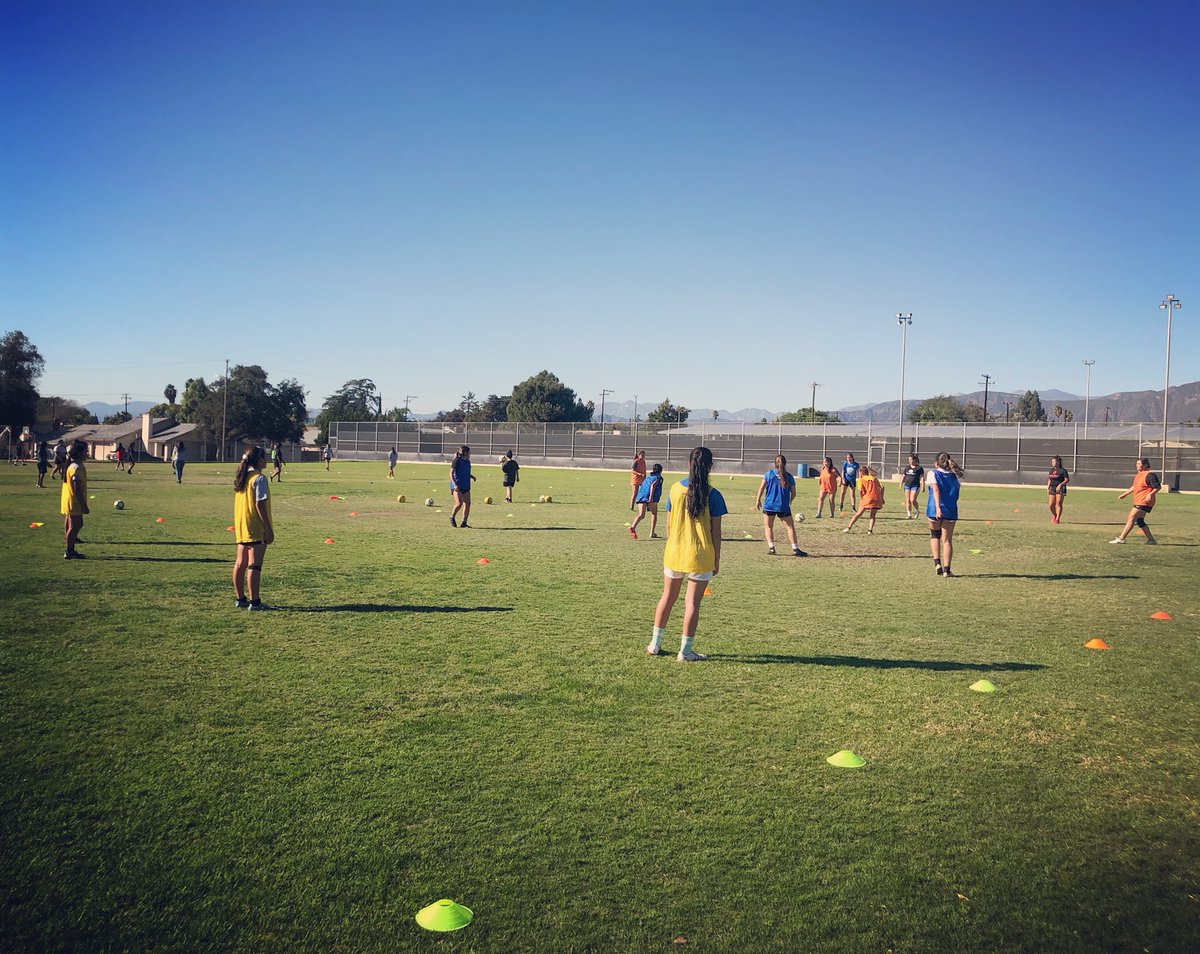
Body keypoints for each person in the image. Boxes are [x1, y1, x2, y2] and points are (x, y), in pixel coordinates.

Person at [647, 446, 727, 662]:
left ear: (689, 464)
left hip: (675, 551)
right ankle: (685, 651)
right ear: (710, 467)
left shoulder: (674, 489)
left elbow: (669, 525)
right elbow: (716, 533)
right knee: (692, 603)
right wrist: (716, 560)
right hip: (701, 555)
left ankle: (655, 644)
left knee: (667, 597)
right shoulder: (714, 495)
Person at [232, 446, 275, 610]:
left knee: (240, 563)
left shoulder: (243, 477)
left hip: (242, 525)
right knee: (254, 565)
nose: (267, 460)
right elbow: (259, 504)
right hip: (255, 526)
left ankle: (240, 599)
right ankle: (255, 602)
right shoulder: (259, 478)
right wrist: (268, 528)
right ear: (259, 460)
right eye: (264, 457)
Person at [755, 454, 806, 556]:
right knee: (790, 527)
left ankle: (771, 548)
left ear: (774, 463)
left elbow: (761, 488)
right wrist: (789, 501)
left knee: (768, 527)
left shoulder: (768, 474)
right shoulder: (789, 476)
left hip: (769, 505)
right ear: (785, 463)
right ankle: (795, 549)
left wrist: (758, 500)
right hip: (783, 506)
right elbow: (794, 493)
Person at [927, 452, 964, 577]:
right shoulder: (954, 476)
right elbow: (957, 493)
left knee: (935, 535)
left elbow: (936, 489)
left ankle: (937, 564)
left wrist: (937, 507)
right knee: (947, 540)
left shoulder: (933, 473)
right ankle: (947, 570)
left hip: (934, 508)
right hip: (950, 509)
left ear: (936, 463)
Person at [1111, 457, 1161, 545]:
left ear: (1145, 465)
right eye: (1136, 463)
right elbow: (1134, 487)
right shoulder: (1139, 475)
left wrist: (1150, 494)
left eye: (1139, 463)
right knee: (1139, 520)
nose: (1137, 465)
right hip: (1139, 500)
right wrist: (1125, 494)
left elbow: (1157, 487)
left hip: (1144, 501)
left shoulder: (1150, 475)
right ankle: (1151, 540)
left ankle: (1121, 538)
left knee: (1131, 517)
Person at [61, 440, 89, 559]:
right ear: (79, 453)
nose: (87, 454)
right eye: (85, 451)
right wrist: (83, 504)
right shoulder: (76, 468)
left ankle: (70, 546)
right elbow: (76, 487)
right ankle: (69, 550)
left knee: (72, 524)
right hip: (74, 501)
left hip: (71, 500)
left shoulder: (76, 465)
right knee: (76, 525)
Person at [844, 465, 885, 534]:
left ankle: (848, 527)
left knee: (858, 514)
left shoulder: (861, 479)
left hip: (867, 498)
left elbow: (860, 490)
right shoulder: (873, 478)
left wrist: (862, 498)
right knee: (872, 515)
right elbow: (882, 487)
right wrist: (882, 497)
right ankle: (870, 530)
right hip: (877, 498)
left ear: (861, 472)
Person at [629, 463, 664, 539]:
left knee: (641, 515)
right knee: (654, 514)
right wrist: (651, 497)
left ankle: (633, 527)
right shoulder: (659, 477)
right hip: (651, 497)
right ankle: (652, 533)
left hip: (641, 496)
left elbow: (644, 485)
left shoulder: (648, 477)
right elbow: (653, 485)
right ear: (661, 470)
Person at [449, 445, 475, 527]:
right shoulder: (456, 461)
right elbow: (451, 473)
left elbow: (464, 472)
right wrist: (454, 484)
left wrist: (471, 476)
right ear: (465, 453)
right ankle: (452, 517)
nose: (470, 454)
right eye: (469, 452)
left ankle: (464, 522)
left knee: (467, 503)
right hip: (457, 485)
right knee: (459, 503)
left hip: (466, 485)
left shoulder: (468, 461)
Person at [1047, 455, 1069, 524]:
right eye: (1052, 462)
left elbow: (1067, 480)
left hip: (1060, 488)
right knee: (1051, 505)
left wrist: (1060, 485)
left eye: (1054, 461)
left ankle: (1057, 519)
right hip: (1053, 488)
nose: (1053, 463)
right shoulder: (1051, 470)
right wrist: (1048, 487)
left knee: (1058, 503)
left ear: (1058, 462)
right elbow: (1050, 479)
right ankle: (1054, 515)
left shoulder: (1063, 471)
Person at [901, 454, 925, 519]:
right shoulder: (907, 467)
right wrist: (900, 484)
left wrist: (923, 486)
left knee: (912, 499)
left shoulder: (919, 468)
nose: (910, 461)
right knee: (907, 500)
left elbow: (922, 477)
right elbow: (903, 476)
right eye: (909, 460)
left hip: (915, 485)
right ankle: (909, 514)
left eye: (911, 459)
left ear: (915, 460)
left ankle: (917, 511)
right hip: (907, 485)